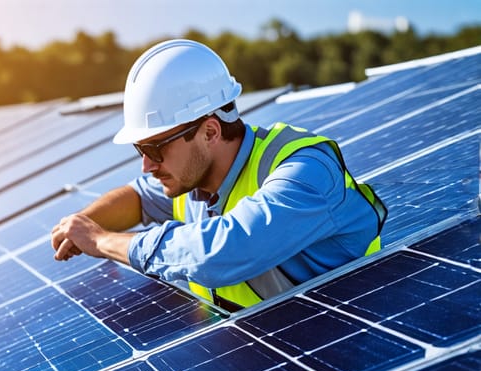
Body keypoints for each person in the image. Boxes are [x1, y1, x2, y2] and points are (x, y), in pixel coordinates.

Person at [51, 39, 387, 311]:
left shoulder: (305, 172)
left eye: (155, 150)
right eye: (140, 151)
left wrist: (100, 241)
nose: (147, 165)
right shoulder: (191, 180)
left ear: (210, 132)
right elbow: (139, 196)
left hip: (352, 357)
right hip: (271, 360)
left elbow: (224, 250)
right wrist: (80, 224)